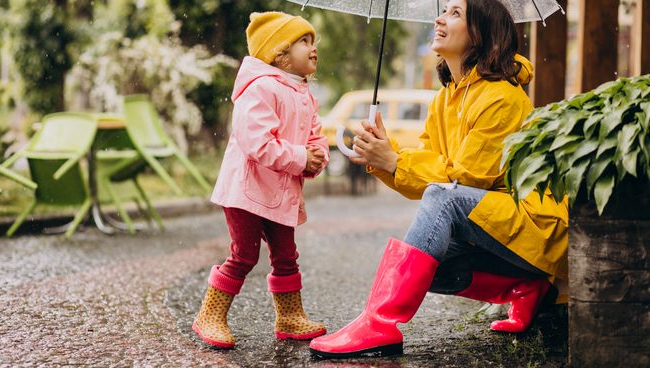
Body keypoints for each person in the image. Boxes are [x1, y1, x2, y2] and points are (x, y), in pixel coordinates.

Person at [309, 0, 568, 359]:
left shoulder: (502, 97)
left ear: (481, 34)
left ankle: (379, 322)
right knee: (427, 263)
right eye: (443, 10)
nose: (440, 18)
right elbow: (431, 168)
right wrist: (384, 156)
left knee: (442, 203)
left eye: (455, 13)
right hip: (494, 228)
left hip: (532, 228)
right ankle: (525, 288)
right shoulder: (445, 100)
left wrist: (395, 160)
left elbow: (467, 180)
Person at [192, 11, 329, 349]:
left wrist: (316, 155)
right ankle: (209, 315)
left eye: (314, 41)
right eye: (304, 41)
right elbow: (257, 143)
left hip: (280, 193)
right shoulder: (261, 88)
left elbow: (315, 135)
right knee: (244, 254)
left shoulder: (303, 93)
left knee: (286, 255)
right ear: (279, 53)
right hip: (246, 190)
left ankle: (290, 317)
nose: (314, 48)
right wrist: (300, 158)